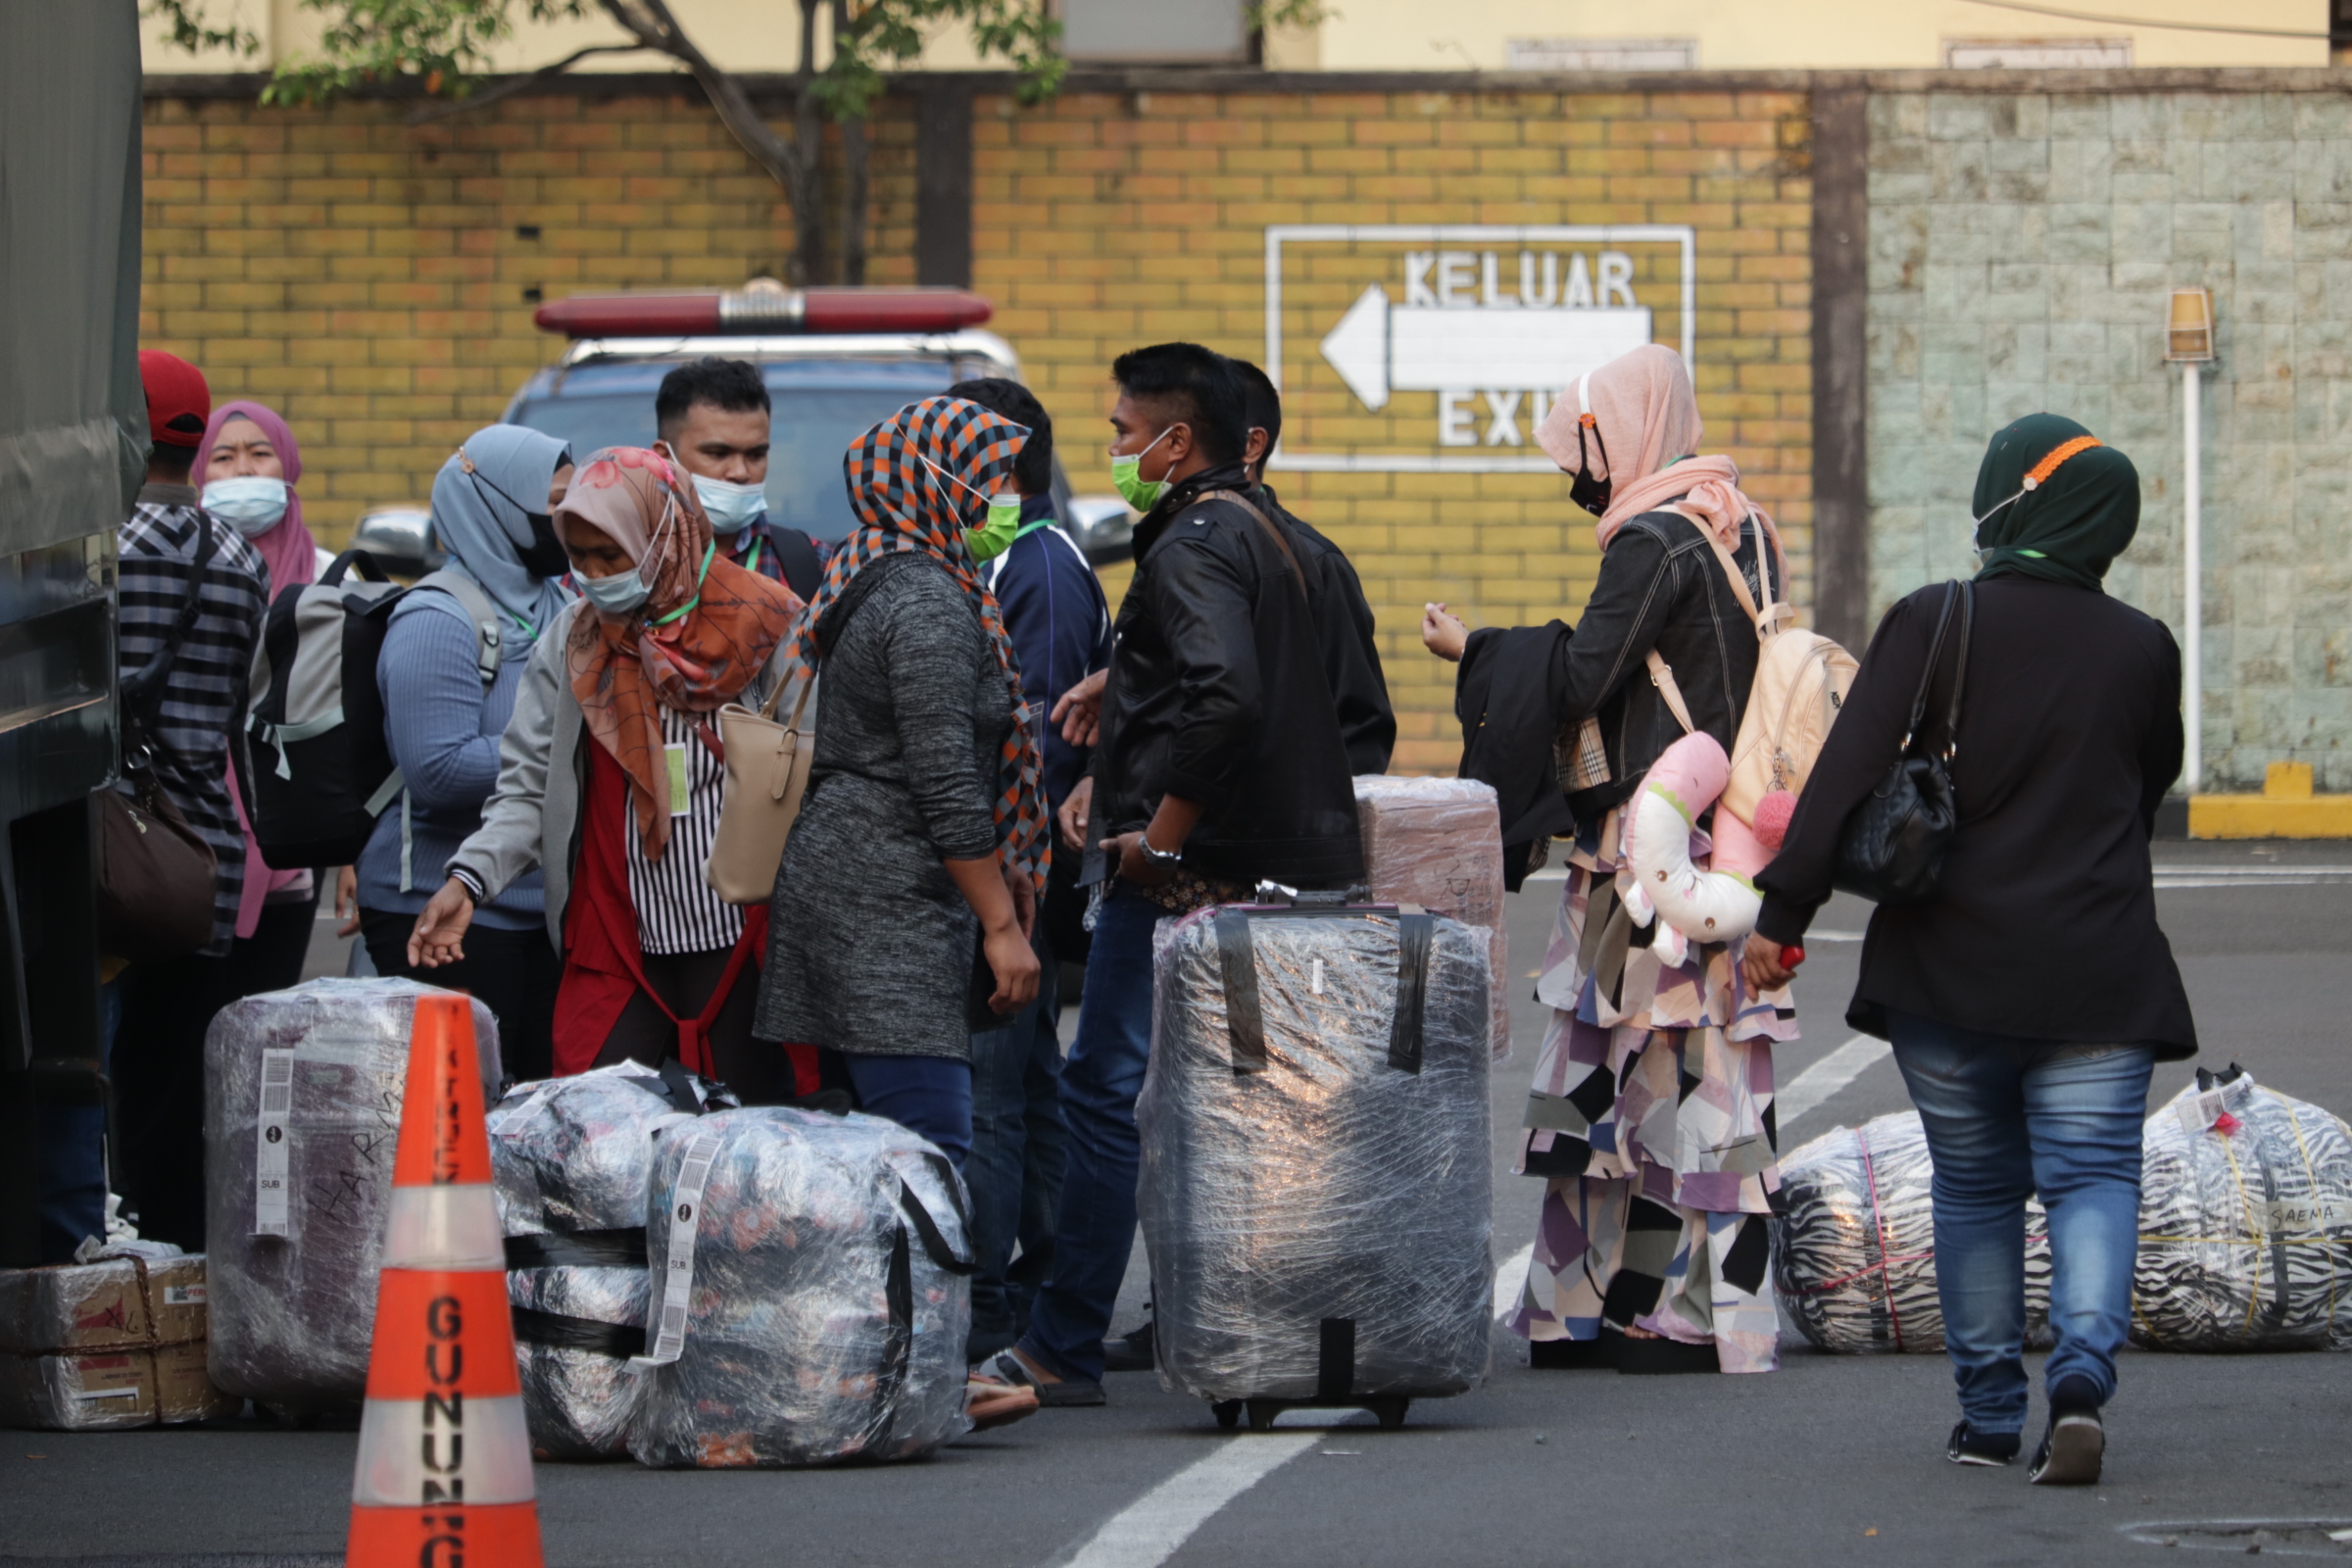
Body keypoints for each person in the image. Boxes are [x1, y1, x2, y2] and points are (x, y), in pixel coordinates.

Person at [1749, 415, 2193, 1484]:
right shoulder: (2144, 647)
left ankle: (1992, 1416)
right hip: (2098, 975)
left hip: (1949, 977)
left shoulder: (1938, 618)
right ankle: (2080, 1377)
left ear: (2014, 502)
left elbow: (1844, 778)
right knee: (2094, 1181)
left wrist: (1782, 921)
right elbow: (2147, 788)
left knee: (1976, 1189)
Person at [977, 342, 1363, 1408]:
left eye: (1120, 431)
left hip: (1188, 880)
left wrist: (1161, 837)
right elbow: (1228, 677)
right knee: (1228, 1106)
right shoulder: (1258, 528)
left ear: (1174, 439)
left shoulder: (1192, 541)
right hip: (1273, 870)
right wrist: (1125, 686)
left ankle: (1060, 1341)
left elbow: (1229, 695)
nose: (1113, 450)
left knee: (1106, 1091)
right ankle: (1241, 1316)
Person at [1421, 342, 1792, 1376]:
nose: (1572, 476)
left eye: (1576, 451)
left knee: (1622, 1077)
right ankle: (1684, 1306)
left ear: (1613, 433)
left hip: (1647, 845)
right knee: (1700, 1079)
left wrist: (1475, 650)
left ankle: (1613, 1309)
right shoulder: (1739, 521)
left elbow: (1583, 673)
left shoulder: (1655, 540)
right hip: (1727, 836)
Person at [407, 447, 802, 1102]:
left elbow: (819, 770)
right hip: (619, 934)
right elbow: (528, 785)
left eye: (609, 556)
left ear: (660, 537)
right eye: (579, 556)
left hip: (745, 936)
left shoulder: (768, 625)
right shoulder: (574, 641)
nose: (591, 576)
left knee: (747, 1144)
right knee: (603, 1135)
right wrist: (469, 880)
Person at [756, 395, 1047, 1169]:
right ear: (943, 484)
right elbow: (944, 781)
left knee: (871, 1159)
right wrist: (1002, 927)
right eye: (998, 481)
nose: (1013, 500)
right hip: (884, 905)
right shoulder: (926, 601)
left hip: (865, 882)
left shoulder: (887, 569)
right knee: (927, 1158)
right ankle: (919, 1297)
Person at [940, 376, 1111, 1361]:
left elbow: (1036, 748)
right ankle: (1042, 1267)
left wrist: (1000, 898)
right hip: (1009, 878)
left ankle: (993, 1299)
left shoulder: (1036, 570)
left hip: (1010, 878)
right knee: (1034, 1080)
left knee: (991, 1095)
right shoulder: (997, 558)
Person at [108, 351, 272, 1251]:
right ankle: (185, 1274)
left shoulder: (113, 548)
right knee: (178, 1090)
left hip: (114, 854)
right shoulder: (241, 556)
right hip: (203, 855)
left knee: (104, 1082)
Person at [349, 426, 575, 1082]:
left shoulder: (558, 604)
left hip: (542, 910)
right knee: (466, 1118)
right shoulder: (438, 618)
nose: (568, 520)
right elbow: (438, 770)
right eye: (554, 503)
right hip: (439, 908)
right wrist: (564, 756)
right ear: (501, 507)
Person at [199, 400, 323, 995]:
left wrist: (347, 854)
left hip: (293, 830)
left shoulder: (325, 578)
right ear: (198, 472)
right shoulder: (180, 569)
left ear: (287, 465)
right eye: (223, 458)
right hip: (193, 830)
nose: (243, 472)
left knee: (267, 1020)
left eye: (259, 454)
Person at [1229, 358, 1396, 775]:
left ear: (1252, 446)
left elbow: (1360, 730)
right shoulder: (1168, 551)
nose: (1121, 452)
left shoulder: (1315, 565)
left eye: (1191, 438)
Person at [650, 356, 828, 601]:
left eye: (756, 455)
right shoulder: (618, 563)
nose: (741, 473)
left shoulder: (815, 566)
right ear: (664, 459)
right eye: (718, 454)